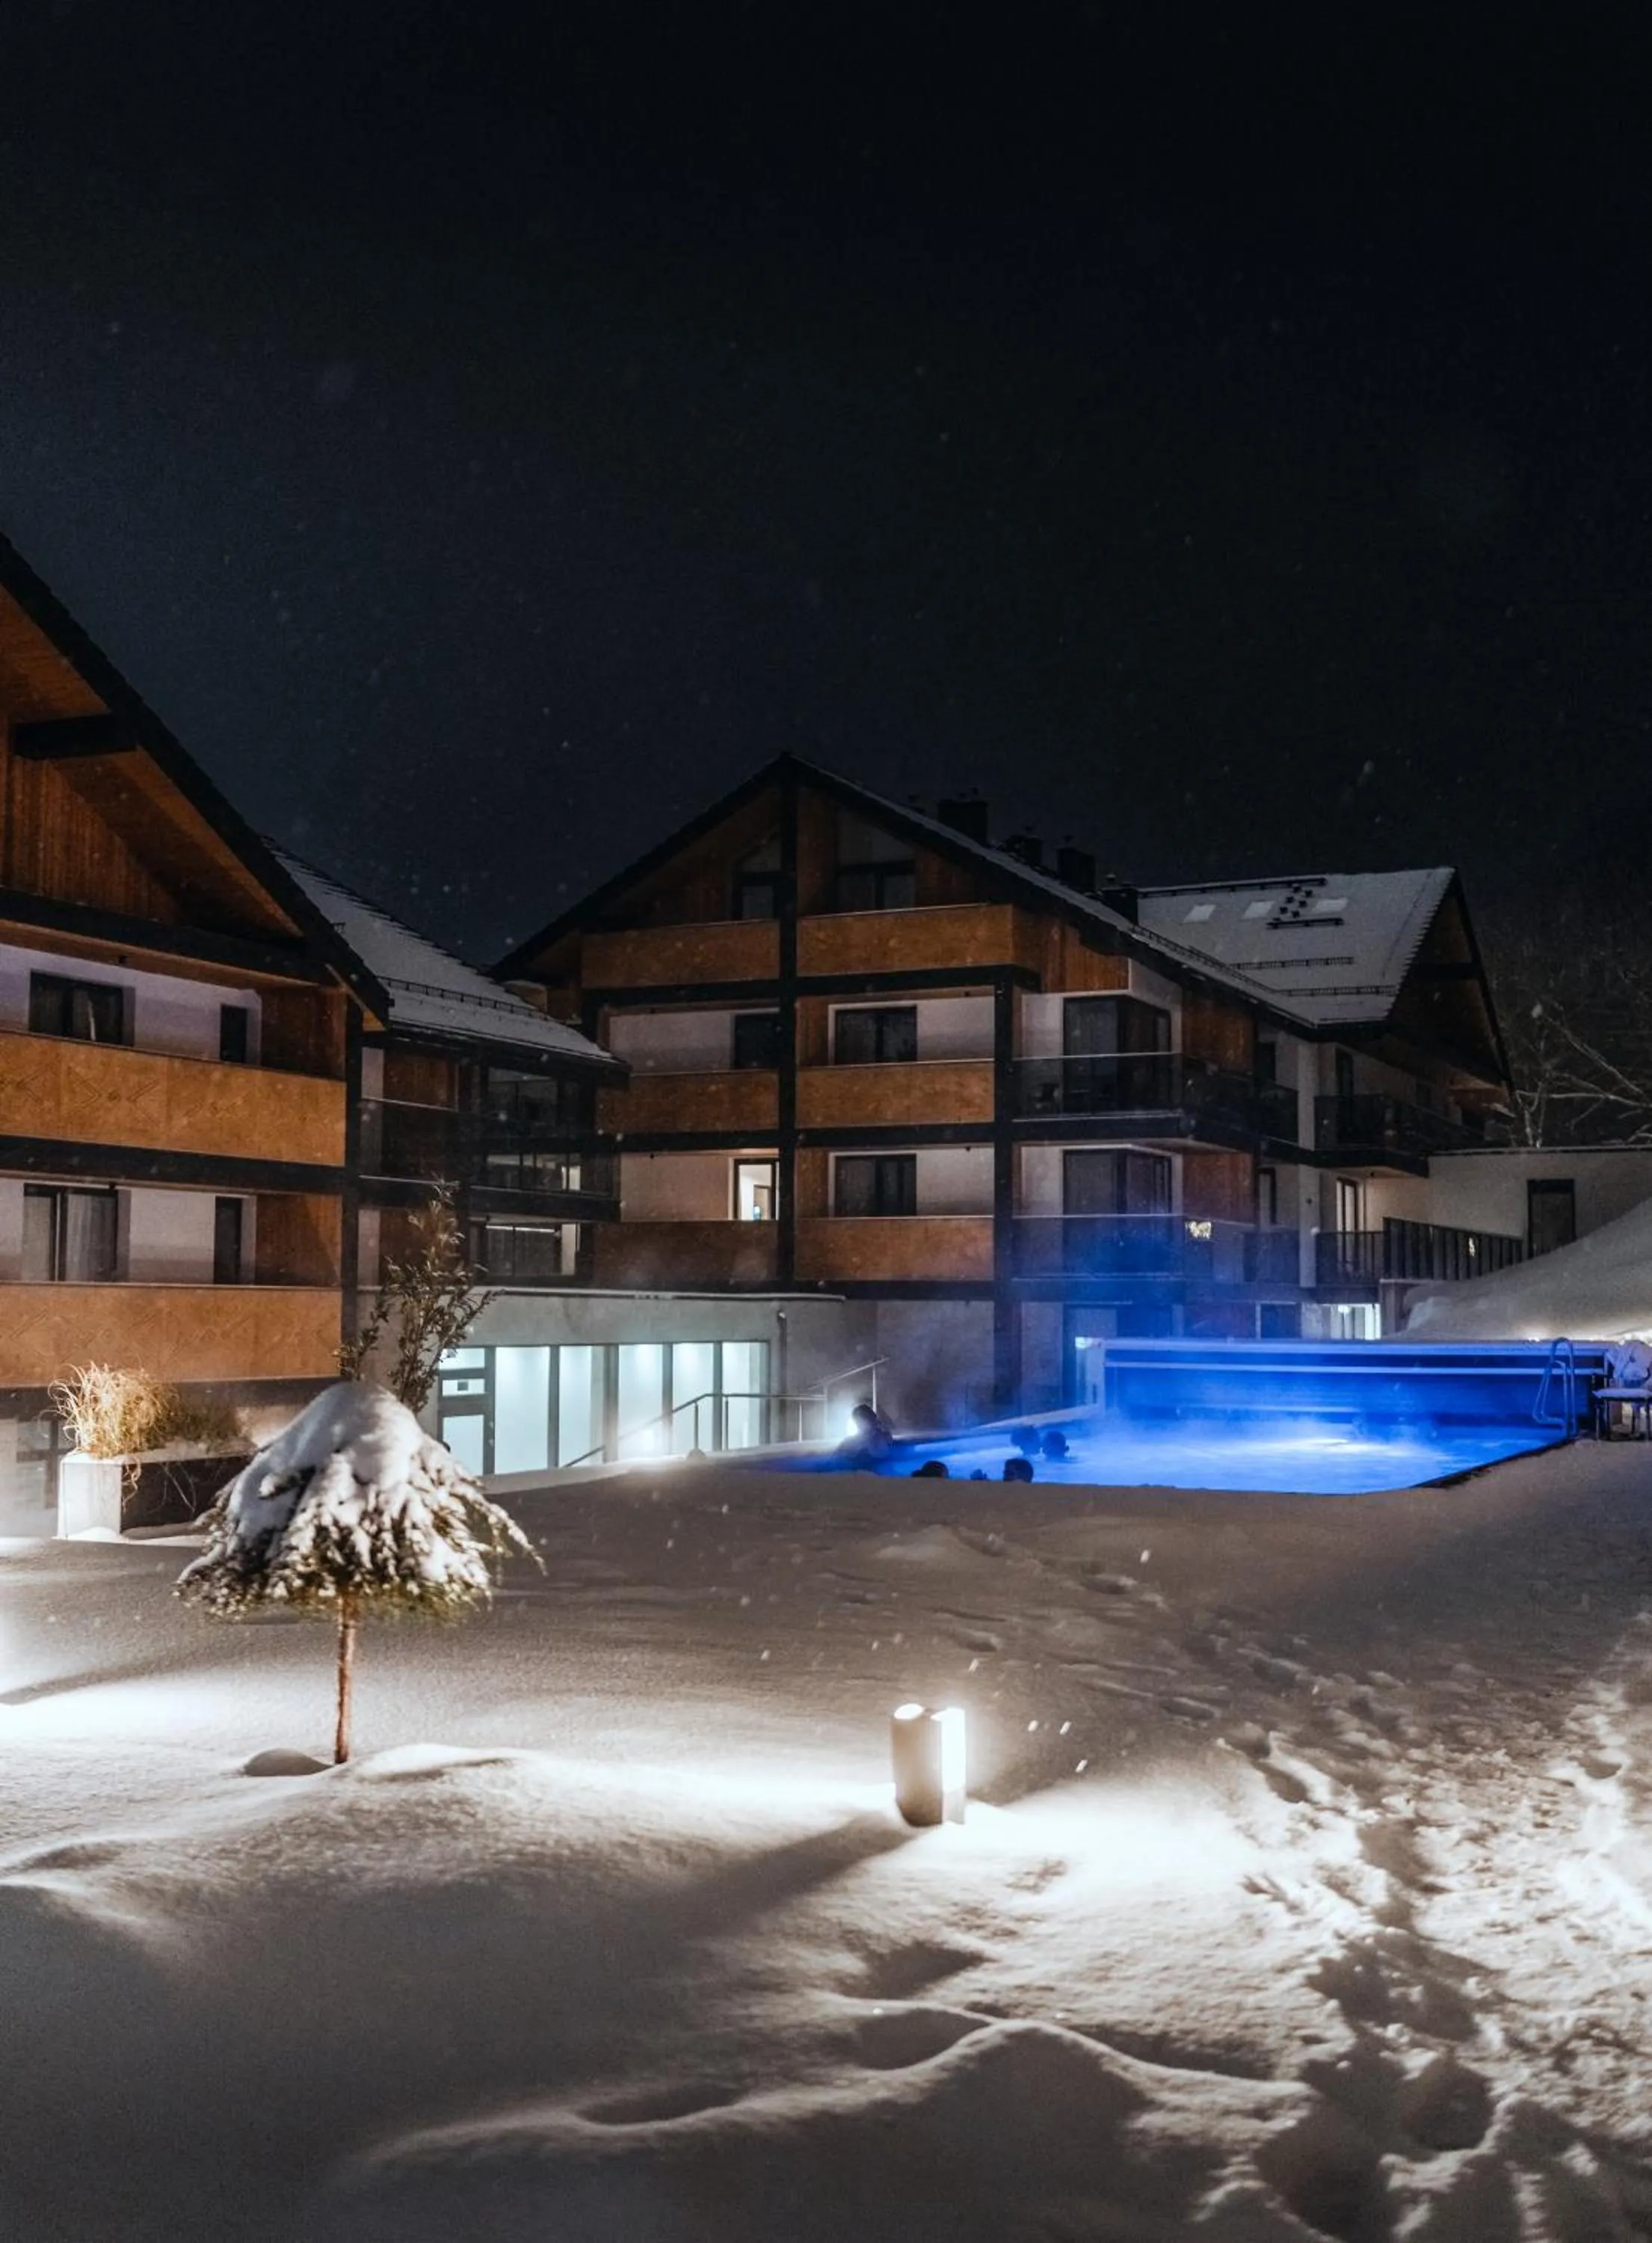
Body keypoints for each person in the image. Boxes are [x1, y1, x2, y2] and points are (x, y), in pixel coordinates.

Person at [836, 1398, 896, 1468]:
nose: (858, 1424)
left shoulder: (881, 1436)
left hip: (874, 1463)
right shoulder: (852, 1442)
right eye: (857, 1421)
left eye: (859, 1421)